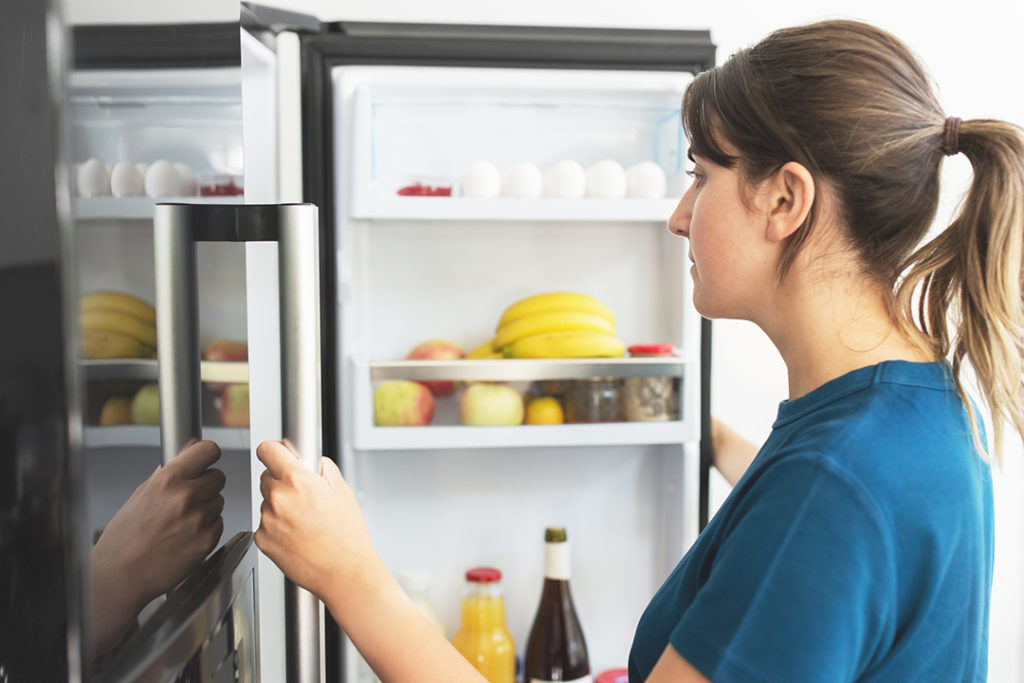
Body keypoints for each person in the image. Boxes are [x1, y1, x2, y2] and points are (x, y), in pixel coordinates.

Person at [254, 19, 1024, 682]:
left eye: (701, 175)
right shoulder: (921, 405)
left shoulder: (830, 483)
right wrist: (722, 443)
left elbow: (829, 512)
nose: (680, 216)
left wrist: (349, 574)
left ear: (785, 198)